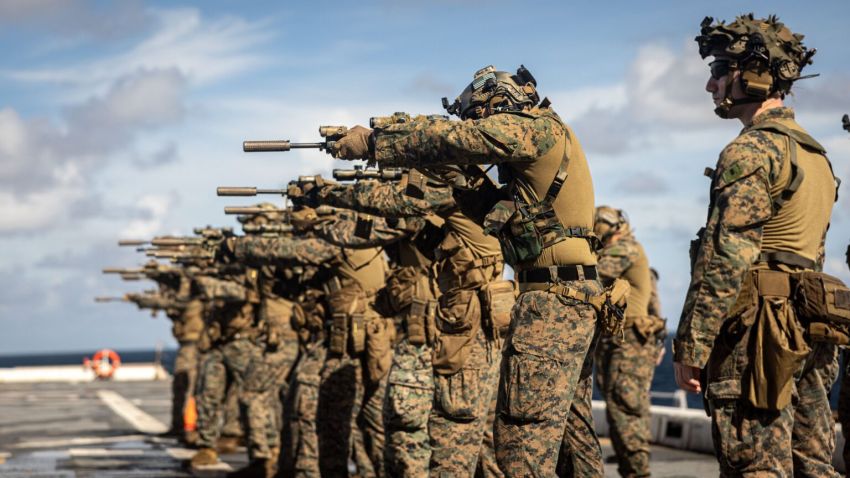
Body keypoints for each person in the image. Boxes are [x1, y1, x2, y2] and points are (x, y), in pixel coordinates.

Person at [331, 65, 606, 476]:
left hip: (554, 302)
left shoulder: (535, 127)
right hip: (565, 297)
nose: (476, 123)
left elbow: (458, 138)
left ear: (496, 103)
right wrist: (445, 169)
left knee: (521, 443)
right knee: (572, 436)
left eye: (477, 114)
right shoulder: (540, 144)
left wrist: (376, 141)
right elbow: (492, 211)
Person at [674, 14, 840, 476]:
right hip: (808, 330)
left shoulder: (750, 150)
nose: (712, 85)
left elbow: (728, 256)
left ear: (753, 74)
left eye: (720, 70)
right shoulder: (815, 155)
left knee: (754, 464)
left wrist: (692, 344)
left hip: (758, 336)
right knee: (813, 464)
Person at [592, 206, 665, 478]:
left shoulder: (626, 249)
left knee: (626, 408)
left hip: (629, 341)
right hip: (620, 340)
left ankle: (636, 471)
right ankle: (631, 466)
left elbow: (591, 274)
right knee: (621, 407)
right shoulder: (630, 249)